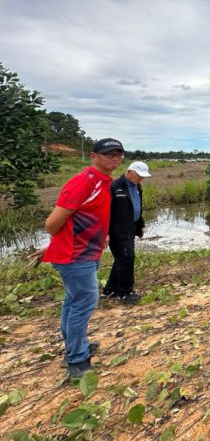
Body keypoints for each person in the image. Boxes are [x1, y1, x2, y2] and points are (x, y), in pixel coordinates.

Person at [41, 138, 125, 379]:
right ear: (94, 156)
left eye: (118, 154)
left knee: (73, 302)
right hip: (75, 256)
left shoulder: (102, 182)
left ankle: (75, 348)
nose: (114, 158)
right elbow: (51, 224)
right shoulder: (83, 182)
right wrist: (57, 243)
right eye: (109, 154)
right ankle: (77, 360)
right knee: (83, 303)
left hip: (87, 253)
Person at [103, 161, 151, 303]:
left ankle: (110, 289)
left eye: (143, 177)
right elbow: (105, 212)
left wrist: (140, 224)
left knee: (121, 259)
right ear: (129, 172)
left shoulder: (137, 186)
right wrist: (105, 233)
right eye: (139, 176)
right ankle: (124, 293)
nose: (141, 179)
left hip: (131, 227)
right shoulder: (115, 186)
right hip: (117, 229)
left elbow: (137, 207)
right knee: (127, 258)